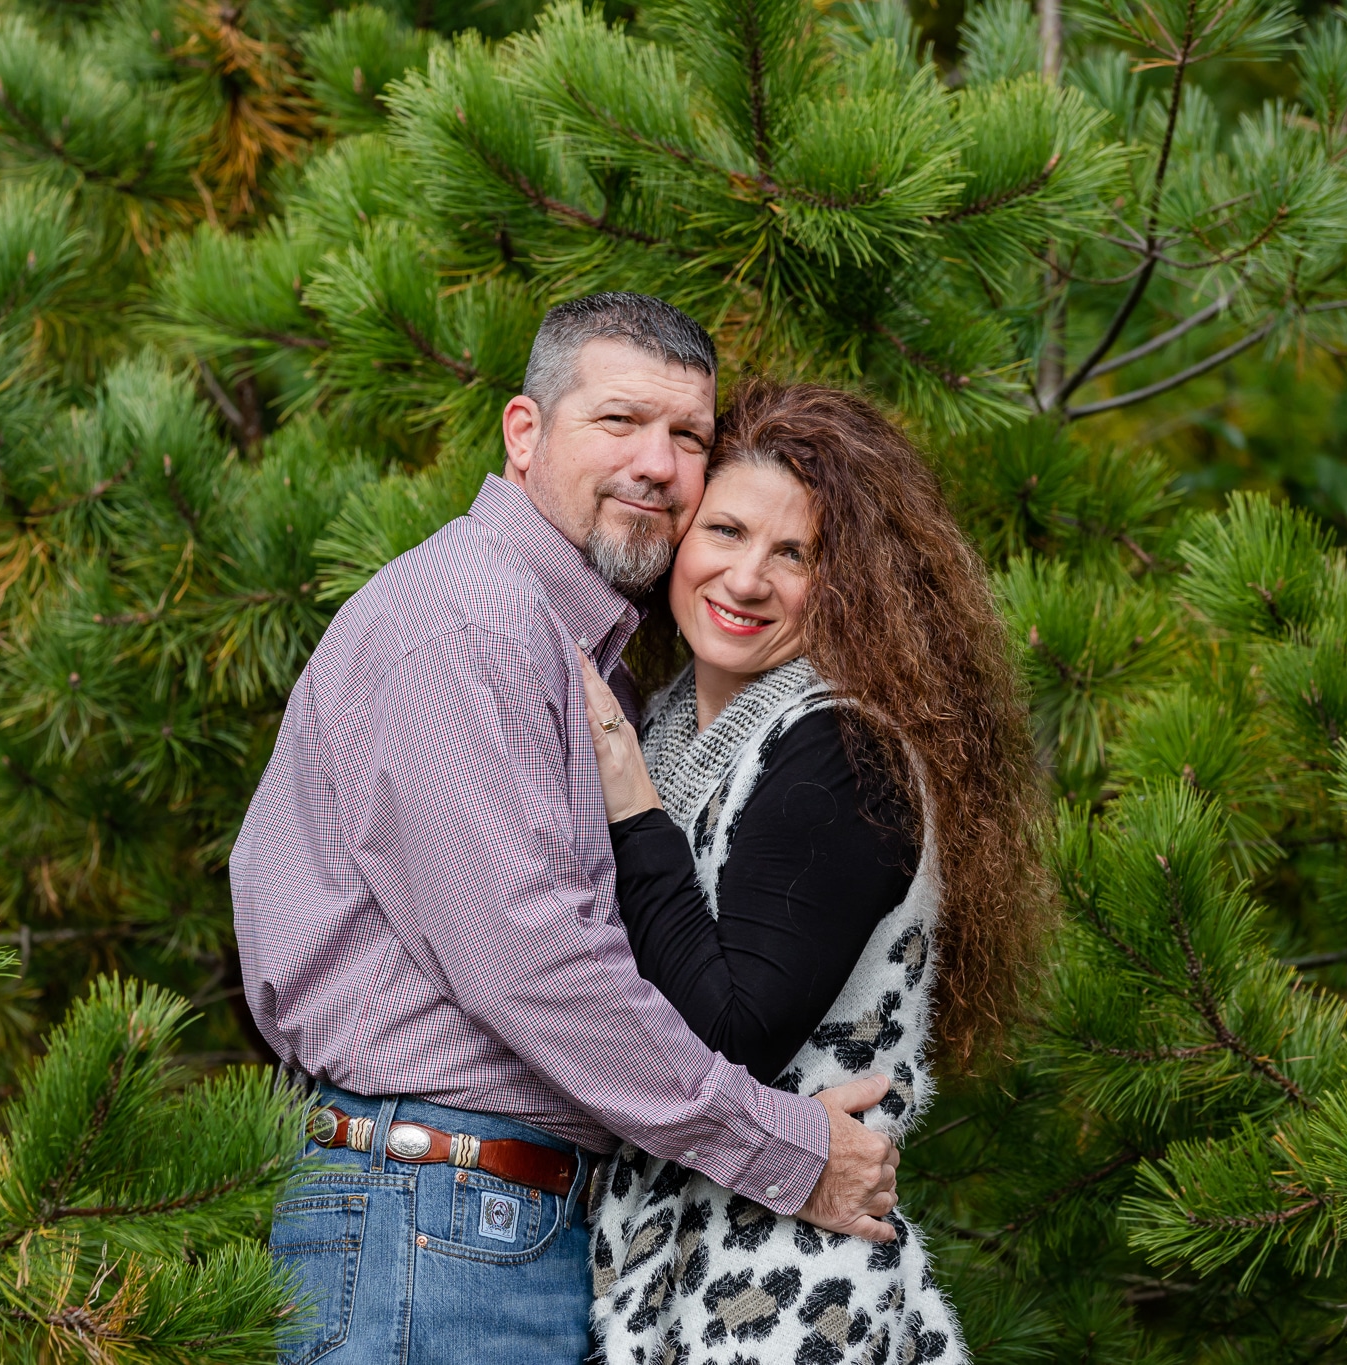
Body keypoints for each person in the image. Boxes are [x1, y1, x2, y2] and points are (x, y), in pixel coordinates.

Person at [231, 294, 902, 1365]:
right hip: (433, 1220)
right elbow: (530, 960)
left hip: (472, 1219)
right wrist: (778, 1147)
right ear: (523, 431)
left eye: (686, 437)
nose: (656, 464)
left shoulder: (575, 650)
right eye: (618, 422)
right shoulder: (470, 621)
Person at [577, 377, 1043, 1364]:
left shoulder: (836, 750)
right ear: (676, 537)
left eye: (795, 554)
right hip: (668, 1272)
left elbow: (728, 1033)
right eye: (725, 531)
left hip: (783, 1295)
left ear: (850, 586)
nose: (746, 579)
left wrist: (627, 807)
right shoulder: (660, 727)